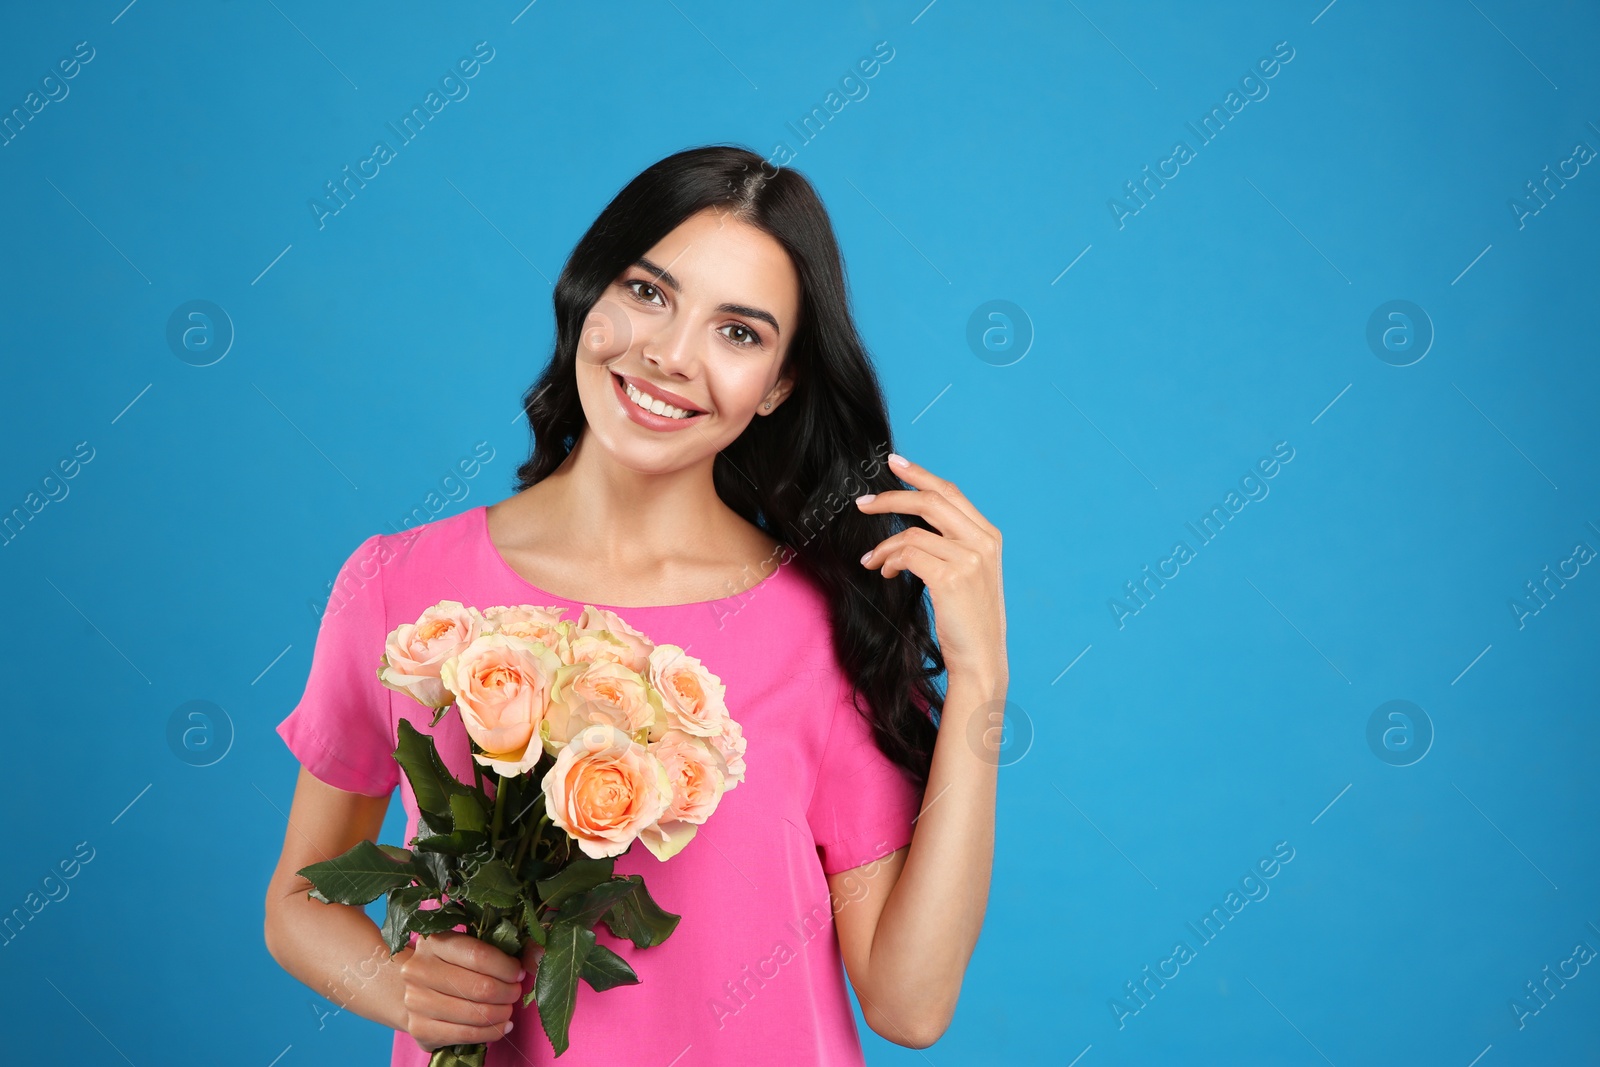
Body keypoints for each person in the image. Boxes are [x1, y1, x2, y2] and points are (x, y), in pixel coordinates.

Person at [262, 144, 1008, 1065]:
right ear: (588, 292)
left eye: (739, 332)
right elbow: (300, 902)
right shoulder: (399, 585)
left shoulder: (823, 623)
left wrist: (981, 679)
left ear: (779, 384)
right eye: (649, 293)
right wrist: (401, 987)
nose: (669, 354)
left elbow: (911, 1003)